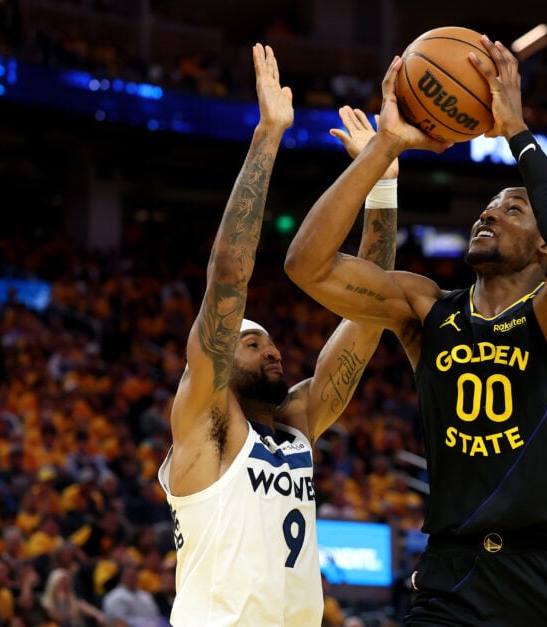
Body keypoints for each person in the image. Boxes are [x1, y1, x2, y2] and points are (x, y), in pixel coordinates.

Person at [285, 35, 547, 626]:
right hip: (455, 573)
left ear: (543, 246)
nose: (489, 212)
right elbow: (306, 266)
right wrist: (383, 151)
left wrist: (516, 129)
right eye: (488, 205)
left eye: (512, 208)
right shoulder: (424, 307)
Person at [156, 43, 396, 626]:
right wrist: (268, 134)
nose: (271, 349)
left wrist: (382, 183)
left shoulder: (297, 427)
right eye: (252, 342)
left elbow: (369, 316)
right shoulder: (206, 427)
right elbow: (229, 276)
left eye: (269, 341)